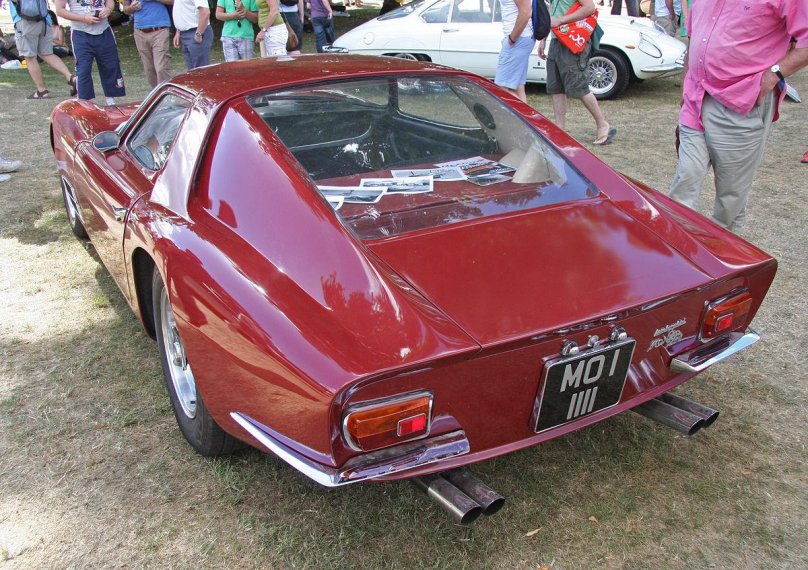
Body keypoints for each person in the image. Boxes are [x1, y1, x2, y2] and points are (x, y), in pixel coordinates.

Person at [668, 0, 808, 234]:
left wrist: (774, 74)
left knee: (730, 200)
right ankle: (674, 247)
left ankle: (722, 254)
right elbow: (694, 37)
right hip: (695, 97)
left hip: (741, 100)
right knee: (685, 180)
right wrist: (685, 86)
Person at [539, 0, 616, 145]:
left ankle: (602, 124)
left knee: (579, 88)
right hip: (557, 40)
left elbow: (590, 8)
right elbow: (552, 11)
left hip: (573, 40)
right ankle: (560, 130)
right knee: (556, 89)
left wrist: (561, 20)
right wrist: (543, 39)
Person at [54, 0, 126, 104]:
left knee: (110, 65)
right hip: (80, 32)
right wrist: (83, 18)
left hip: (104, 30)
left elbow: (110, 2)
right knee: (83, 69)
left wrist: (108, 9)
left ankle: (111, 101)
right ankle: (84, 103)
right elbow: (60, 10)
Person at [9, 0, 76, 99]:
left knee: (30, 57)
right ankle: (71, 78)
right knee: (47, 53)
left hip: (24, 21)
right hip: (44, 21)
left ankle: (42, 91)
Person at [121, 0, 174, 88]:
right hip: (140, 31)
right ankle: (156, 93)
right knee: (149, 69)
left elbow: (173, 1)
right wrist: (131, 8)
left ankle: (166, 93)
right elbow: (125, 9)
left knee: (161, 68)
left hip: (160, 29)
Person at [494, 0, 534, 103]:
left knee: (500, 88)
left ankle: (523, 112)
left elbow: (526, 12)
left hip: (518, 38)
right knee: (518, 87)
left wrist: (512, 38)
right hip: (521, 38)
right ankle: (525, 113)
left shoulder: (515, 39)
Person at [173, 0, 214, 70]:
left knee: (201, 71)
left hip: (196, 31)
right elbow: (182, 9)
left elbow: (205, 12)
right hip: (185, 33)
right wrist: (178, 31)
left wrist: (198, 33)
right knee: (192, 71)